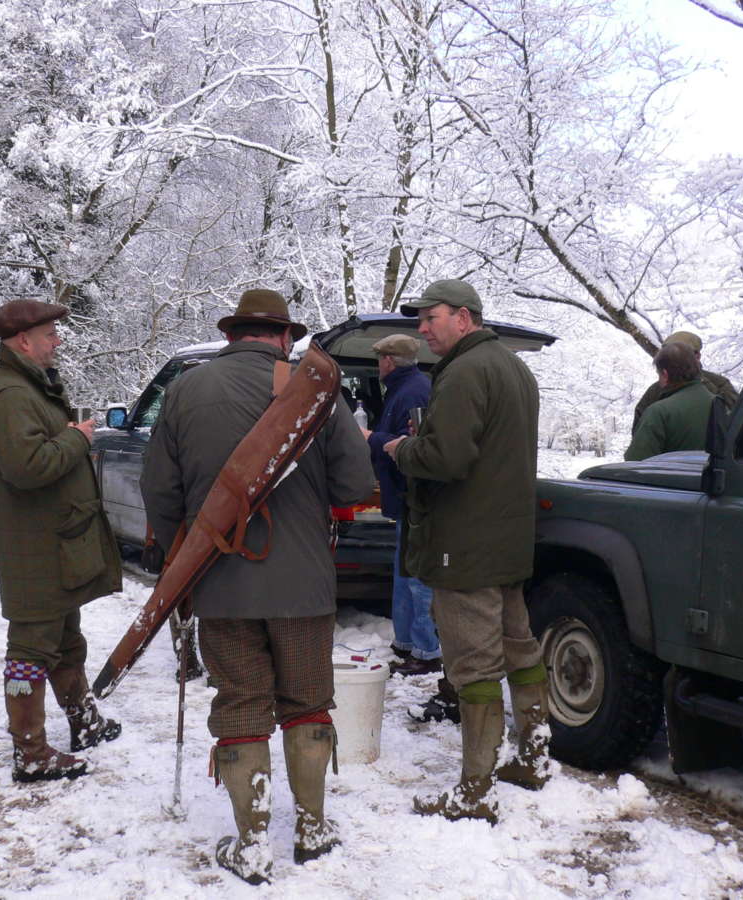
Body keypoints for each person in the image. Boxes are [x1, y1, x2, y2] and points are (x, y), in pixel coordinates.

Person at [140, 288, 373, 885]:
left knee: (241, 704)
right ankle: (313, 829)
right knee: (307, 701)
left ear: (232, 334)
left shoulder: (186, 389)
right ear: (284, 337)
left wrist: (183, 556)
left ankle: (251, 844)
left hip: (219, 584)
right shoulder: (316, 391)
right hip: (302, 586)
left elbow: (160, 491)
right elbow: (354, 487)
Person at [384, 278, 552, 825]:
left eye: (430, 318)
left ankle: (476, 791)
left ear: (463, 316)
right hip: (506, 540)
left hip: (464, 544)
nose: (422, 330)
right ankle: (533, 758)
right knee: (519, 646)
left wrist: (402, 448)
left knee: (473, 664)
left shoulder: (464, 371)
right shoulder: (513, 367)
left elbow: (447, 457)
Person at [0, 299, 124, 784]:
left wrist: (65, 435)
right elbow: (27, 467)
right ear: (24, 341)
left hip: (54, 544)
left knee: (65, 639)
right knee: (29, 650)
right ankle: (31, 752)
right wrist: (78, 439)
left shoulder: (26, 387)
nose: (57, 341)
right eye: (50, 335)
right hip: (33, 549)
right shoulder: (10, 394)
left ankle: (84, 723)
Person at [361, 334, 441, 677]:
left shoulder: (412, 391)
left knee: (417, 577)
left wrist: (370, 439)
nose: (379, 365)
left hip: (417, 500)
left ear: (389, 361)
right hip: (405, 501)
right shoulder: (403, 389)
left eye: (380, 359)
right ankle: (406, 643)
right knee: (403, 573)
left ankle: (426, 651)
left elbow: (410, 446)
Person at [632, 330, 737, 434]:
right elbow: (639, 431)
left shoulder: (719, 383)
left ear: (697, 356)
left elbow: (736, 419)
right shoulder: (655, 390)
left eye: (684, 355)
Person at [624, 341, 714, 461]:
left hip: (672, 478)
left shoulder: (659, 412)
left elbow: (635, 464)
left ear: (665, 374)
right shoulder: (719, 404)